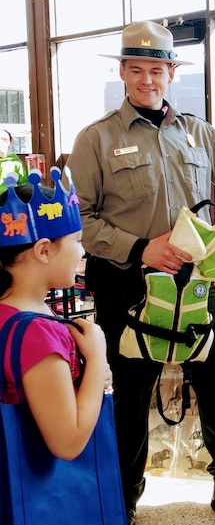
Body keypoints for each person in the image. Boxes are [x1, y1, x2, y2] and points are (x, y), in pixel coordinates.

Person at [66, 20, 215, 524]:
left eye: (158, 69)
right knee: (131, 392)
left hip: (197, 284)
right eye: (137, 69)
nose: (148, 79)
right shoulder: (96, 139)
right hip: (128, 284)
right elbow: (79, 218)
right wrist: (141, 248)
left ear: (171, 73)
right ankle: (122, 496)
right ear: (123, 72)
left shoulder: (198, 132)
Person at [0, 169, 112, 461]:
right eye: (76, 240)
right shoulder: (37, 332)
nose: (83, 252)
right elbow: (68, 443)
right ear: (44, 250)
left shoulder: (17, 312)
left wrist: (91, 377)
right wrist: (98, 357)